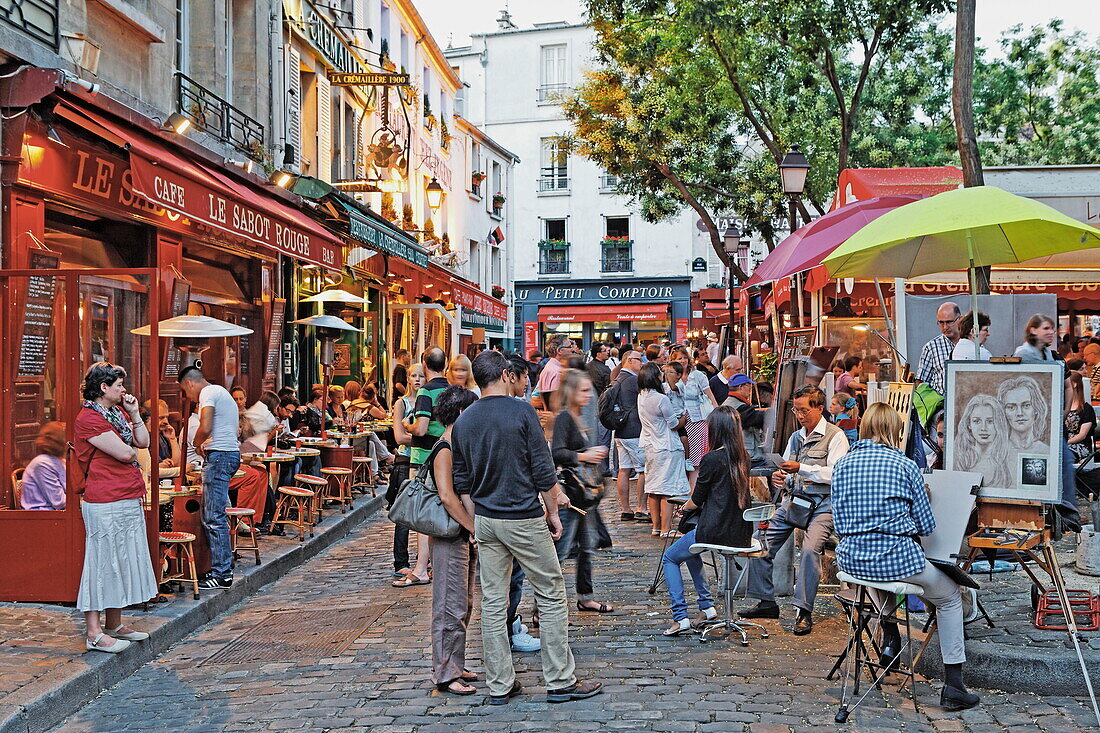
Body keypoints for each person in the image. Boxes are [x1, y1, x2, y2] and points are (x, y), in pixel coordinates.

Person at [453, 350, 602, 705]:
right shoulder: (521, 411)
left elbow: (462, 483)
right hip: (521, 516)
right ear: (506, 375)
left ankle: (501, 684)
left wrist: (475, 523)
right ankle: (559, 680)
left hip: (487, 519)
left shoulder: (465, 419)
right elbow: (543, 470)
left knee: (493, 601)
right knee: (550, 594)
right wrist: (553, 510)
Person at [832, 402, 980, 712]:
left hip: (852, 559)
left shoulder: (842, 464)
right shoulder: (904, 466)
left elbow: (839, 519)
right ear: (894, 431)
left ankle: (890, 637)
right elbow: (926, 526)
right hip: (894, 557)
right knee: (951, 596)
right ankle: (954, 685)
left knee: (874, 577)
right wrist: (921, 499)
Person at [742, 385, 849, 635]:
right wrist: (782, 477)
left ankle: (804, 610)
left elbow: (836, 474)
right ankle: (766, 601)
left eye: (804, 411)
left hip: (823, 506)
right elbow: (790, 472)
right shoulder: (796, 437)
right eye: (796, 410)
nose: (799, 416)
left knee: (811, 551)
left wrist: (801, 468)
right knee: (760, 541)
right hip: (795, 501)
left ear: (819, 408)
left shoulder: (836, 437)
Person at [74, 363, 156, 653]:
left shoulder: (117, 413)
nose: (124, 389)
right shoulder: (89, 418)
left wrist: (134, 414)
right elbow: (126, 452)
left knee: (120, 559)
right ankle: (94, 632)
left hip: (125, 494)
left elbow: (143, 442)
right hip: (104, 498)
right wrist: (131, 449)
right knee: (102, 562)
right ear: (103, 388)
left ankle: (114, 623)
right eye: (119, 385)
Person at [662, 407, 755, 635]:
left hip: (715, 530)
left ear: (716, 430)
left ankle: (680, 616)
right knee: (689, 548)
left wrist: (683, 508)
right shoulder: (744, 458)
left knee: (670, 558)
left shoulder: (711, 459)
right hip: (741, 531)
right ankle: (707, 606)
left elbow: (697, 499)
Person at [428, 386, 481, 696]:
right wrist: (472, 527)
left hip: (460, 535)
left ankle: (455, 664)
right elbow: (448, 497)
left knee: (463, 604)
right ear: (461, 413)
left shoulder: (457, 445)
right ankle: (445, 673)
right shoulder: (445, 448)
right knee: (450, 606)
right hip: (450, 535)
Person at [551, 369, 613, 615]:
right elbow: (557, 453)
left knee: (586, 549)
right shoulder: (565, 418)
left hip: (585, 496)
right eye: (584, 390)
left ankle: (585, 597)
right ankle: (543, 607)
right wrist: (584, 455)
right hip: (570, 496)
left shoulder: (579, 417)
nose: (589, 396)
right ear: (572, 392)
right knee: (562, 552)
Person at [178, 366, 240, 590]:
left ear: (189, 384)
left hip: (220, 456)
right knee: (216, 515)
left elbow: (205, 426)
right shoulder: (220, 391)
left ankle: (221, 573)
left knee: (213, 517)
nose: (188, 397)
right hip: (229, 454)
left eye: (185, 392)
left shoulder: (208, 393)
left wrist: (196, 443)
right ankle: (222, 568)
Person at [396, 348, 450, 587]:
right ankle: (435, 565)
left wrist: (408, 425)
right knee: (445, 507)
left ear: (425, 365)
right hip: (448, 455)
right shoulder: (453, 390)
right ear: (445, 365)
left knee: (422, 512)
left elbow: (420, 429)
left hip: (424, 458)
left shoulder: (426, 392)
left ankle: (420, 569)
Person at [637, 362, 691, 537]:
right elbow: (674, 424)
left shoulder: (641, 396)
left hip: (650, 445)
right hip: (667, 446)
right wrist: (683, 418)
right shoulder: (661, 399)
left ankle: (656, 527)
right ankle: (667, 529)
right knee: (667, 489)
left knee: (654, 488)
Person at [389, 364, 427, 579]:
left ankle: (425, 560)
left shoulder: (428, 401)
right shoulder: (402, 403)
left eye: (421, 376)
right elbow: (399, 437)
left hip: (425, 460)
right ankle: (401, 561)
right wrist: (423, 438)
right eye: (413, 376)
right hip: (405, 460)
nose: (417, 379)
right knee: (405, 512)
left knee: (427, 510)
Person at [670, 348, 718, 486]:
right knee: (681, 460)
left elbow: (710, 396)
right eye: (679, 358)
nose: (683, 361)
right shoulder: (671, 377)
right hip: (678, 422)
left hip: (696, 420)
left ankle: (693, 495)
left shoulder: (697, 375)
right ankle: (682, 494)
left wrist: (716, 412)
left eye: (684, 357)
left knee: (696, 461)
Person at [612, 350, 648, 523]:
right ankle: (642, 508)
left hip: (620, 431)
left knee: (624, 470)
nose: (641, 363)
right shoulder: (633, 379)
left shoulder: (617, 378)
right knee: (643, 470)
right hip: (634, 430)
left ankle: (625, 509)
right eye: (639, 360)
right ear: (629, 361)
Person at [954, 394, 1012, 488]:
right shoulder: (959, 459)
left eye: (990, 421)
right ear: (969, 424)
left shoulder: (1008, 460)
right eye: (977, 421)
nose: (983, 428)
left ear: (998, 424)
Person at [722, 374, 767, 468]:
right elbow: (759, 418)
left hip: (733, 453)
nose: (750, 390)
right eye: (749, 386)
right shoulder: (739, 407)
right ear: (740, 387)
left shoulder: (728, 403)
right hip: (746, 456)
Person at [916, 302, 962, 395]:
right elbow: (920, 382)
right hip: (941, 404)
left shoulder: (971, 344)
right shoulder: (931, 347)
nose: (945, 327)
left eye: (949, 322)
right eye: (941, 322)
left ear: (960, 319)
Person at [20, 422, 67, 510]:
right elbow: (59, 502)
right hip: (42, 516)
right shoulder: (42, 464)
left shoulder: (61, 461)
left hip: (58, 514)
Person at [999, 375, 1050, 453]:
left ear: (1036, 408)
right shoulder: (997, 452)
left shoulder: (1047, 451)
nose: (1019, 413)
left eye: (1026, 405)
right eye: (1011, 407)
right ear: (1004, 412)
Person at [537, 334, 575, 412]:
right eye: (569, 347)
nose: (572, 350)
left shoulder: (550, 367)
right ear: (559, 351)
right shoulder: (558, 372)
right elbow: (558, 404)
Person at [1065, 372, 1095, 462]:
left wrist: (1065, 443)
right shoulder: (1063, 407)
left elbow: (1082, 435)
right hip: (1065, 443)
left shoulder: (1086, 409)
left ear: (1074, 384)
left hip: (1080, 445)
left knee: (1064, 455)